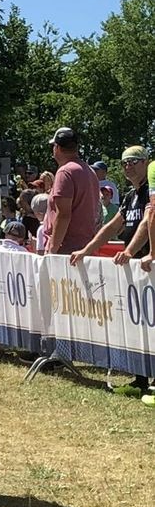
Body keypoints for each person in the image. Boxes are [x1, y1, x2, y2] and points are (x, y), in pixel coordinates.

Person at [71, 146, 150, 394]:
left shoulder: (151, 191)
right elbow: (112, 227)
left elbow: (148, 222)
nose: (128, 166)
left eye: (134, 161)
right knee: (138, 322)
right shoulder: (130, 196)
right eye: (125, 162)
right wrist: (86, 250)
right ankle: (141, 379)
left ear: (146, 162)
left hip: (148, 264)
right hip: (136, 268)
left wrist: (130, 251)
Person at [45, 127, 100, 255]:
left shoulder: (65, 172)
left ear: (57, 148)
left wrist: (52, 250)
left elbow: (63, 215)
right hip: (86, 247)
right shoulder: (90, 171)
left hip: (66, 250)